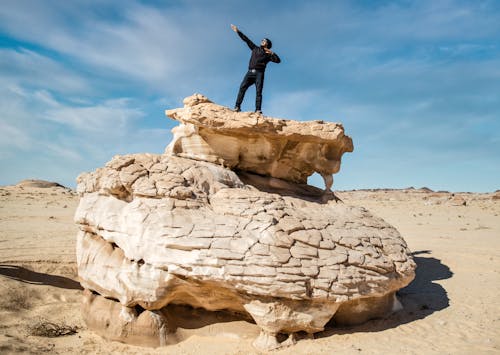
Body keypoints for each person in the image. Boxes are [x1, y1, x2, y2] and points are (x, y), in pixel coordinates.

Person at [231, 24, 281, 114]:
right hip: (249, 72)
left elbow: (278, 61)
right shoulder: (255, 48)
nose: (262, 41)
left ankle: (258, 110)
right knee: (242, 88)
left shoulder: (268, 55)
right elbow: (246, 40)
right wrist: (237, 31)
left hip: (259, 73)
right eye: (262, 40)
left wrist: (272, 53)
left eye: (264, 41)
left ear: (267, 44)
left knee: (258, 92)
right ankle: (237, 107)